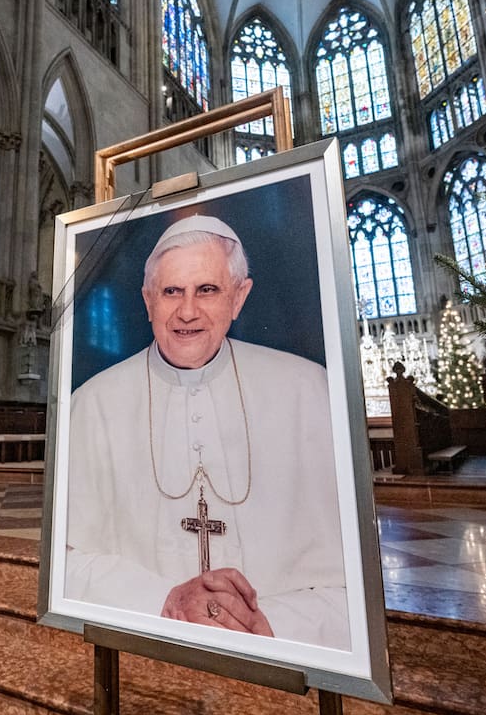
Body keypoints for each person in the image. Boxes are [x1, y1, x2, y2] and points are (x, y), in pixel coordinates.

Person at [65, 215, 350, 649]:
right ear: (148, 301)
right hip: (146, 644)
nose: (187, 312)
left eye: (207, 290)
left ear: (239, 297)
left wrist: (268, 622)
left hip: (279, 654)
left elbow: (351, 574)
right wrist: (162, 601)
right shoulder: (92, 403)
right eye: (171, 292)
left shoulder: (308, 390)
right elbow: (65, 563)